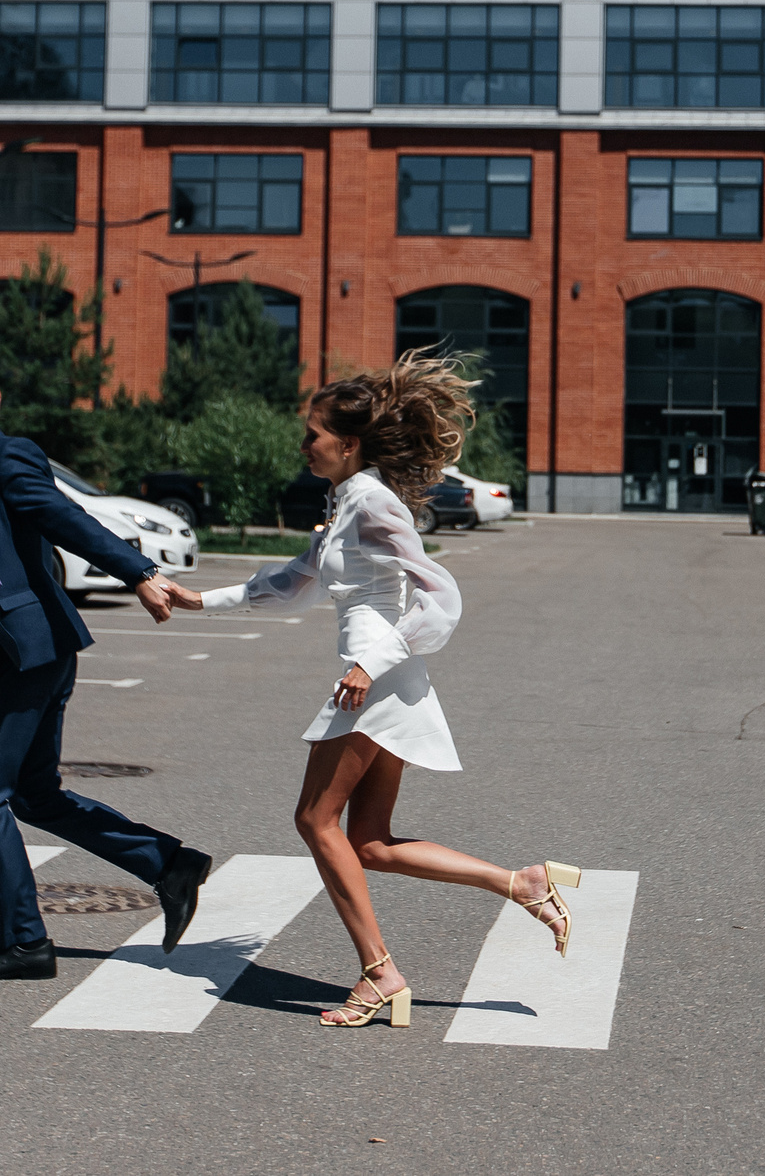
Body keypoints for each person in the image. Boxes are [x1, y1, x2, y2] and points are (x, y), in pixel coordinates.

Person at [168, 353, 577, 1029]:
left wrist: (370, 662)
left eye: (313, 433)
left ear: (348, 442)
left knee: (314, 819)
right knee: (370, 842)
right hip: (383, 677)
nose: (305, 444)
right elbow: (294, 579)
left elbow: (440, 592)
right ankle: (522, 883)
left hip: (374, 678)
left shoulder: (371, 499)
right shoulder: (347, 501)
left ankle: (380, 973)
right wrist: (200, 601)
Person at [0, 351, 214, 981]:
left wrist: (139, 572)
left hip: (24, 655)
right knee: (32, 795)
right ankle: (167, 865)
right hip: (21, 648)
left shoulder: (7, 456)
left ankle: (25, 941)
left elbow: (65, 519)